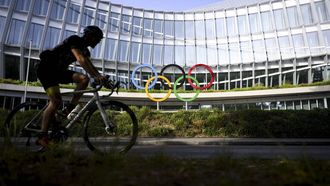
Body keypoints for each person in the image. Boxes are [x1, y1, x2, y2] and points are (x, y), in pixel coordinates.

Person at [36, 25, 107, 147]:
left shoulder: (86, 50)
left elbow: (91, 67)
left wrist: (101, 78)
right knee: (56, 101)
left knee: (84, 79)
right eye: (98, 39)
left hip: (58, 71)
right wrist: (96, 76)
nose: (98, 42)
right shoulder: (75, 40)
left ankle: (69, 109)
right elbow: (80, 59)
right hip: (46, 69)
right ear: (90, 36)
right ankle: (42, 137)